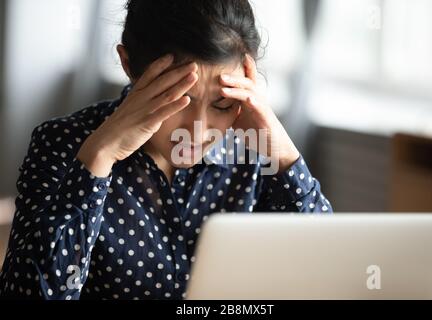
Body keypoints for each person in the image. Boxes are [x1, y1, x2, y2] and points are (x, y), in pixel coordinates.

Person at [0, 0, 332, 300]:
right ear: (129, 65)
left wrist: (284, 153)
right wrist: (99, 157)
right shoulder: (63, 144)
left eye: (222, 103)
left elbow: (326, 275)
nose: (198, 130)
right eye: (178, 99)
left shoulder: (253, 154)